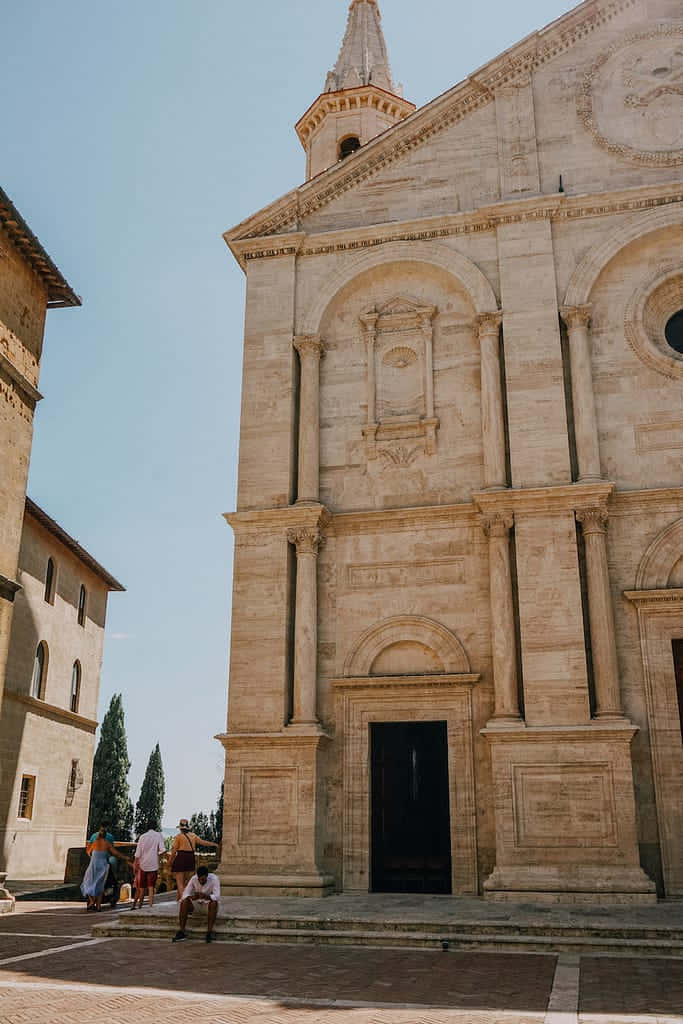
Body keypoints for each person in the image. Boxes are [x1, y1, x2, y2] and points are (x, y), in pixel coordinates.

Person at [81, 826, 132, 912]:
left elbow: (88, 852)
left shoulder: (94, 843)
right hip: (103, 866)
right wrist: (126, 857)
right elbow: (116, 853)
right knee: (100, 885)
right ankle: (98, 906)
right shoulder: (107, 843)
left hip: (93, 865)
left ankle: (92, 901)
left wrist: (92, 856)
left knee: (87, 883)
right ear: (105, 835)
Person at [169, 818, 220, 901]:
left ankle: (184, 901)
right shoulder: (193, 836)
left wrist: (170, 861)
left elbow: (174, 850)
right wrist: (214, 844)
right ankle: (179, 900)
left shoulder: (179, 837)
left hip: (181, 857)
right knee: (187, 883)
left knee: (180, 882)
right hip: (191, 857)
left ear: (180, 828)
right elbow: (203, 842)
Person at [172, 865, 220, 943]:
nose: (201, 882)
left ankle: (209, 932)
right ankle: (182, 931)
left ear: (207, 877)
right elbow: (185, 894)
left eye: (203, 880)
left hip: (208, 905)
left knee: (214, 903)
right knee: (184, 902)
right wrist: (193, 897)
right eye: (199, 880)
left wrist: (206, 896)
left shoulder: (214, 879)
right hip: (197, 904)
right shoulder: (194, 879)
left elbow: (217, 896)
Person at [132, 821, 166, 910]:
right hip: (153, 864)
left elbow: (137, 853)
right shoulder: (158, 835)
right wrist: (158, 856)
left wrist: (135, 864)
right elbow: (163, 850)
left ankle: (139, 907)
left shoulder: (142, 837)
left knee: (142, 888)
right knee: (151, 887)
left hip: (143, 864)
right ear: (156, 827)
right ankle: (150, 906)